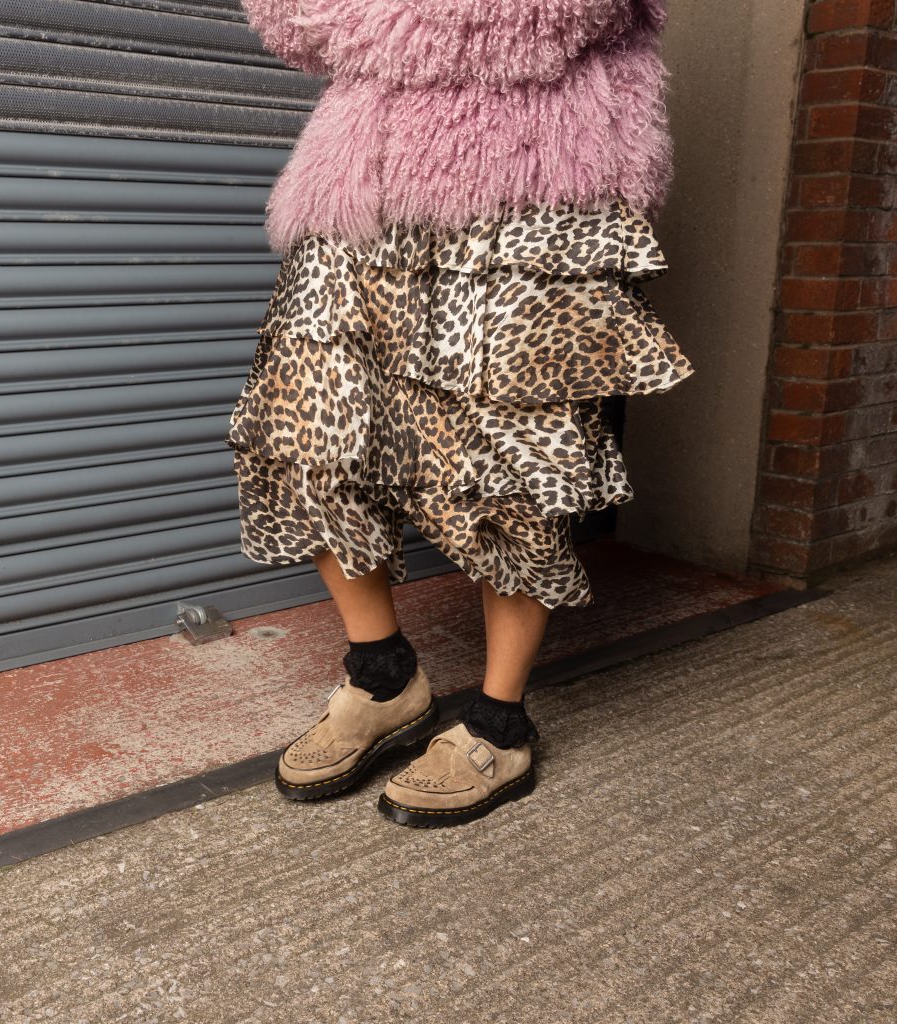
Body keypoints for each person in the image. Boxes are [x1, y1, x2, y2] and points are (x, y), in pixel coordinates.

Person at [226, 0, 694, 827]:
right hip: (361, 184)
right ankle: (383, 678)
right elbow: (290, 19)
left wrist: (372, 19)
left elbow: (540, 19)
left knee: (515, 461)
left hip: (534, 187)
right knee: (303, 431)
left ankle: (499, 724)